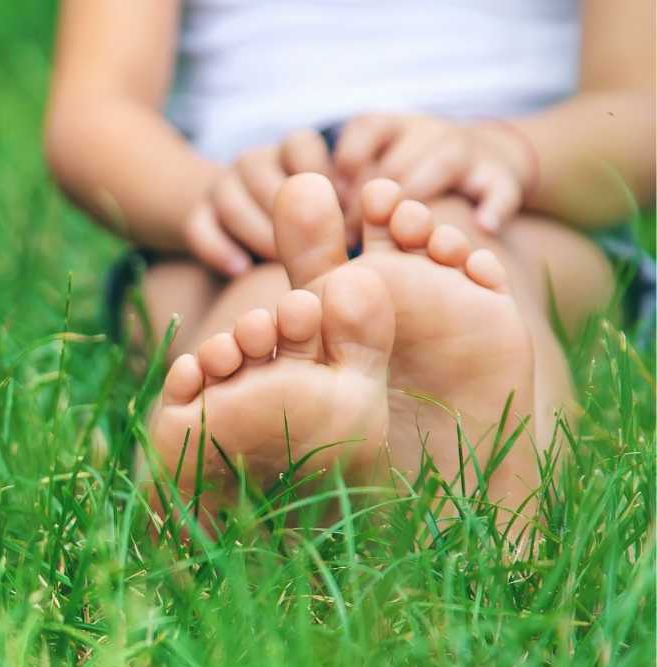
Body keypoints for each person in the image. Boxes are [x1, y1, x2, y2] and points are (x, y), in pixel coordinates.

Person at [44, 0, 655, 527]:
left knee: (461, 263)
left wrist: (505, 153)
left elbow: (640, 109)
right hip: (238, 207)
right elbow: (94, 114)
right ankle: (322, 461)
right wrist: (204, 197)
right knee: (268, 295)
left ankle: (482, 492)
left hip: (517, 199)